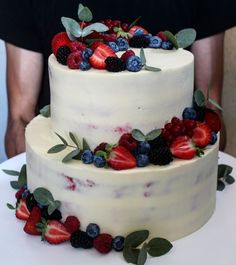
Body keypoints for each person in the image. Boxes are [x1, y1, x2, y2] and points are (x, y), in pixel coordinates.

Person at [0, 0, 235, 158]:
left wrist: (168, 175)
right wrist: (55, 177)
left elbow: (210, 112)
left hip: (175, 186)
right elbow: (20, 120)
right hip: (64, 168)